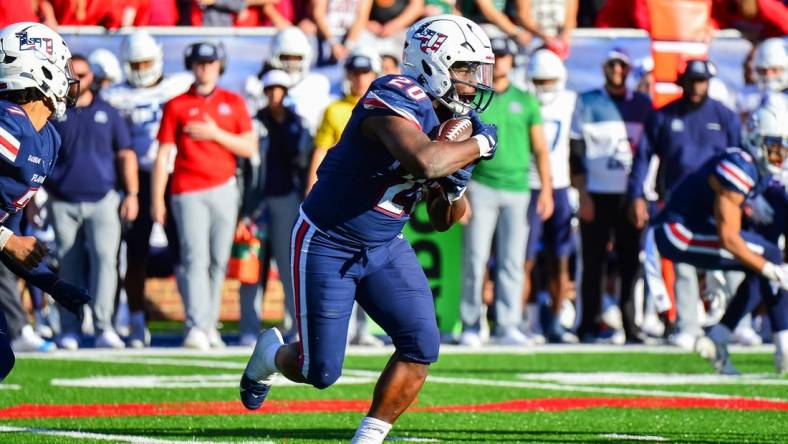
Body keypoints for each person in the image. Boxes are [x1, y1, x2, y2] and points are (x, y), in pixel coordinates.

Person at [239, 15, 499, 443]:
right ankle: (269, 354)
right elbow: (424, 162)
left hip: (385, 244)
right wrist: (477, 147)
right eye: (465, 69)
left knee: (421, 346)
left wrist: (456, 185)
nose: (473, 82)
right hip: (328, 240)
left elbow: (441, 219)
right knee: (317, 370)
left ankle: (369, 437)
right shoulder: (392, 94)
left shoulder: (450, 119)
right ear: (433, 62)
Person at [654, 98, 788, 375]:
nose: (779, 157)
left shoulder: (751, 166)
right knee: (768, 257)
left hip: (690, 228)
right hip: (678, 232)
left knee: (762, 259)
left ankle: (720, 337)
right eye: (774, 148)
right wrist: (772, 270)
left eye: (783, 149)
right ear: (755, 139)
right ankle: (782, 344)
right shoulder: (738, 167)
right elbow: (729, 238)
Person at [628, 59, 742, 349]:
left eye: (701, 81)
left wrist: (747, 199)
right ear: (682, 82)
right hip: (679, 201)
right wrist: (637, 196)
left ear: (709, 82)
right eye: (691, 81)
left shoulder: (725, 115)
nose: (696, 86)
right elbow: (643, 158)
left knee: (732, 258)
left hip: (721, 201)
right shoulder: (664, 116)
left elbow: (742, 159)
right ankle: (687, 324)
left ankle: (737, 323)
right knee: (683, 261)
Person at [0, 21, 90, 380]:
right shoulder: (8, 124)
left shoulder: (47, 138)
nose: (68, 79)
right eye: (63, 67)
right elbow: (10, 240)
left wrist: (52, 284)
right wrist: (8, 240)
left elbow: (14, 238)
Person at [153, 41, 256, 350]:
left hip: (225, 189)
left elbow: (249, 148)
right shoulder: (176, 105)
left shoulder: (233, 102)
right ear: (191, 65)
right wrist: (156, 198)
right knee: (193, 258)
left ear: (219, 66)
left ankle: (209, 324)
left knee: (218, 261)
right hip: (187, 190)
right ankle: (196, 324)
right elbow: (163, 154)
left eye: (210, 63)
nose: (205, 68)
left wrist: (216, 134)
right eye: (199, 62)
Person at [458, 33, 553, 347]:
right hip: (481, 187)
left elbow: (540, 149)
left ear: (513, 61)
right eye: (495, 56)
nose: (500, 61)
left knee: (513, 261)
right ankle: (472, 324)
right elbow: (458, 147)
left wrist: (548, 190)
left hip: (519, 189)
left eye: (505, 56)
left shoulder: (525, 100)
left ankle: (507, 324)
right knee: (475, 258)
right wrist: (460, 192)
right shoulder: (473, 98)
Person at [103, 30, 193, 348]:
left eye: (146, 61)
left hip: (173, 175)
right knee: (135, 251)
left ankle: (194, 320)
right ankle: (137, 320)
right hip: (136, 180)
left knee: (183, 251)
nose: (141, 69)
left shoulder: (179, 85)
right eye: (135, 63)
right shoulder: (116, 95)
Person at [48, 54, 138, 350]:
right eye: (71, 74)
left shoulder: (109, 112)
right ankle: (69, 328)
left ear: (93, 78)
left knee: (105, 263)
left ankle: (103, 327)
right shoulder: (55, 112)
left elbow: (126, 154)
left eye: (82, 74)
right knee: (68, 266)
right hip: (62, 200)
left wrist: (133, 194)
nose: (76, 80)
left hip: (104, 200)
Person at [570, 47, 651, 343]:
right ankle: (588, 325)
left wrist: (640, 195)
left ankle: (632, 326)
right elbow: (576, 151)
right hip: (597, 192)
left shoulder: (643, 104)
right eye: (612, 64)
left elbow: (648, 153)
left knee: (630, 262)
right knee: (593, 262)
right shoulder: (588, 101)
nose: (617, 70)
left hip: (630, 196)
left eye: (622, 65)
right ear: (604, 67)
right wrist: (583, 194)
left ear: (629, 70)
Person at [307, 45, 385, 346]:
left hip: (374, 195)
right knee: (342, 263)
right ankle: (345, 327)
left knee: (373, 261)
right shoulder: (335, 109)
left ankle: (365, 327)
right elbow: (321, 151)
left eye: (365, 72)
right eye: (355, 72)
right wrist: (313, 188)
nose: (360, 78)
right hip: (341, 195)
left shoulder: (387, 108)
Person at [237, 69, 311, 346]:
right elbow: (245, 168)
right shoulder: (254, 123)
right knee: (251, 266)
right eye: (270, 90)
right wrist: (243, 208)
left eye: (280, 90)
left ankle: (295, 326)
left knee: (289, 265)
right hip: (256, 204)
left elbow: (303, 163)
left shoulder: (298, 125)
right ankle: (248, 327)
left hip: (287, 200)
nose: (275, 95)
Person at [522, 48, 577, 344]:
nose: (544, 88)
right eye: (539, 81)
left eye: (549, 81)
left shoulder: (570, 103)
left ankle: (555, 320)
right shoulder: (523, 101)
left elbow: (578, 146)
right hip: (527, 185)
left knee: (561, 257)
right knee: (525, 258)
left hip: (560, 185)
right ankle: (527, 322)